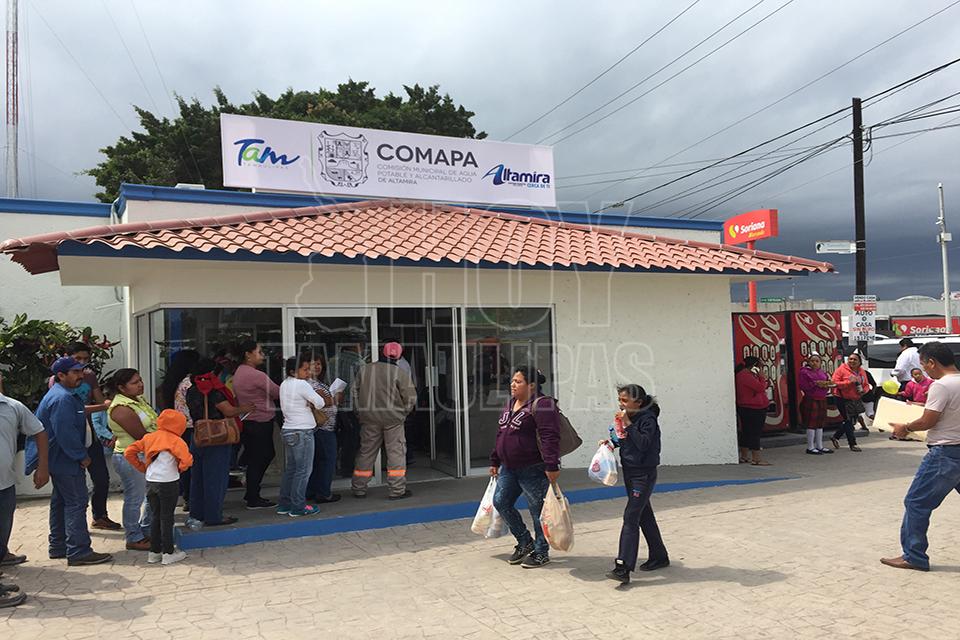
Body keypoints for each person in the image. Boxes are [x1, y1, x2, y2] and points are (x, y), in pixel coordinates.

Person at [883, 342, 960, 571]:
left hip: (944, 454)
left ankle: (913, 556)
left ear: (932, 362)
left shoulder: (941, 385)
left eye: (924, 365)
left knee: (916, 502)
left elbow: (928, 420)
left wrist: (905, 427)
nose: (924, 370)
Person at [35, 357, 113, 566]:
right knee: (76, 502)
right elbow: (65, 432)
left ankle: (59, 546)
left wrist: (100, 407)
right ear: (61, 375)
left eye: (81, 371)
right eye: (76, 372)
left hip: (60, 458)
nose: (81, 376)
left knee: (61, 501)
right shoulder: (62, 398)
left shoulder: (64, 394)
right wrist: (81, 455)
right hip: (66, 458)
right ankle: (79, 551)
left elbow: (78, 412)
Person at [489, 366, 561, 569]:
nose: (513, 384)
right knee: (501, 502)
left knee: (537, 511)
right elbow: (501, 433)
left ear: (531, 385)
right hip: (509, 467)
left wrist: (552, 465)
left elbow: (550, 437)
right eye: (512, 381)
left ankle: (541, 552)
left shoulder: (543, 404)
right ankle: (524, 541)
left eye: (518, 381)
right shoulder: (511, 403)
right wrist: (495, 459)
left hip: (533, 467)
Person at [47, 342, 120, 531]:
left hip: (89, 433)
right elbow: (72, 409)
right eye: (77, 359)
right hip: (70, 435)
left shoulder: (90, 376)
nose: (81, 363)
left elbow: (99, 401)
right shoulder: (58, 380)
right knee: (68, 491)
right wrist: (101, 406)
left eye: (85, 359)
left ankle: (100, 516)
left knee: (101, 478)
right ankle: (67, 533)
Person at [603, 384, 668, 585]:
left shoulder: (648, 419)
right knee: (644, 515)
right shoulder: (627, 418)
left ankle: (623, 567)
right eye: (619, 400)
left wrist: (628, 424)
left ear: (638, 402)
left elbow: (644, 443)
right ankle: (659, 556)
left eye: (625, 400)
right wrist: (610, 444)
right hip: (630, 471)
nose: (621, 404)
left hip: (643, 474)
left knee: (631, 516)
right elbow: (624, 440)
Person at [185, 358, 252, 527]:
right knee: (216, 479)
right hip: (217, 437)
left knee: (198, 478)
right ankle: (214, 516)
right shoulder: (213, 390)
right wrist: (245, 408)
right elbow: (228, 411)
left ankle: (197, 514)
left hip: (198, 435)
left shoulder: (191, 389)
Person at [124, 409, 193, 565]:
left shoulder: (149, 437)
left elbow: (129, 452)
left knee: (155, 516)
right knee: (167, 518)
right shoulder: (177, 441)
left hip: (151, 481)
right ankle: (168, 552)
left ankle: (154, 552)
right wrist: (180, 469)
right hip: (169, 482)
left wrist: (142, 467)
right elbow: (187, 460)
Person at [0, 390, 49, 607]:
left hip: (5, 484)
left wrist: (43, 466)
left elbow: (39, 431)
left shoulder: (12, 406)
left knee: (2, 535)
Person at [351, 342, 417, 500]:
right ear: (398, 356)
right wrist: (403, 413)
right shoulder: (399, 373)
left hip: (369, 418)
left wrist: (359, 412)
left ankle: (359, 488)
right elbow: (411, 398)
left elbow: (354, 392)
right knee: (396, 454)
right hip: (393, 419)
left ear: (382, 352)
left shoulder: (365, 370)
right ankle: (397, 490)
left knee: (366, 453)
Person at [106, 368, 158, 551]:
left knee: (153, 493)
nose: (140, 385)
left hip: (146, 453)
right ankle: (133, 536)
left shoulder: (138, 400)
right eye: (135, 383)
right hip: (131, 456)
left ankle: (146, 530)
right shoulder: (120, 408)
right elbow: (140, 435)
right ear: (121, 387)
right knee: (135, 498)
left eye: (140, 380)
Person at [232, 341, 280, 509]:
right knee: (261, 457)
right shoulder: (256, 375)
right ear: (248, 354)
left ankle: (252, 492)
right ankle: (253, 496)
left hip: (248, 420)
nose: (262, 355)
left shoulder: (239, 372)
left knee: (256, 457)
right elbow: (277, 392)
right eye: (259, 352)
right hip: (260, 420)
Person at [278, 353, 326, 517]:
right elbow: (320, 403)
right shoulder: (302, 384)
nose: (308, 373)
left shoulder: (284, 384)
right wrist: (311, 400)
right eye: (305, 370)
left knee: (291, 470)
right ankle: (298, 506)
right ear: (293, 371)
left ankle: (284, 504)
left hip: (288, 429)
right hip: (303, 431)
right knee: (303, 470)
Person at [161, 349, 201, 510]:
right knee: (192, 464)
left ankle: (186, 496)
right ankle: (191, 498)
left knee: (184, 463)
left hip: (179, 427)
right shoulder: (189, 383)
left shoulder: (172, 382)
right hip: (191, 427)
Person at [306, 352, 341, 504]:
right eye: (313, 364)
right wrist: (334, 399)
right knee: (327, 460)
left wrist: (331, 398)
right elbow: (319, 402)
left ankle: (312, 491)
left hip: (324, 428)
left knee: (318, 461)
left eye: (319, 363)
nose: (317, 367)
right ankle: (323, 493)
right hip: (322, 428)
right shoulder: (308, 384)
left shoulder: (319, 383)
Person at [329, 341, 365, 477]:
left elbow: (327, 382)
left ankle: (331, 466)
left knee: (336, 438)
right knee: (352, 438)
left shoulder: (332, 361)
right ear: (357, 347)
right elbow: (364, 386)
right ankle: (347, 468)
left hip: (333, 405)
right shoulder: (359, 363)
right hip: (351, 406)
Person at [734, 357, 771, 465]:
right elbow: (760, 388)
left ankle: (744, 456)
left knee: (746, 432)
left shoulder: (745, 375)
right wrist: (762, 377)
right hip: (753, 407)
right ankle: (756, 458)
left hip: (749, 406)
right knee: (755, 433)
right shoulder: (745, 376)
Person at [798, 354, 835, 455]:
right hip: (811, 398)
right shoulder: (804, 372)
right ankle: (810, 447)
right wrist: (815, 383)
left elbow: (827, 382)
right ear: (808, 362)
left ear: (820, 363)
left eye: (817, 361)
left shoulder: (822, 372)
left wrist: (827, 384)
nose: (814, 363)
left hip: (822, 398)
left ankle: (820, 446)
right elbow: (803, 386)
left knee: (820, 423)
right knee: (811, 423)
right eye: (812, 361)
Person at [831, 353, 867, 452]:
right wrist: (849, 382)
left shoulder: (862, 371)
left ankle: (835, 437)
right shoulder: (841, 370)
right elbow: (834, 383)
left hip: (855, 399)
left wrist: (864, 390)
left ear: (859, 362)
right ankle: (852, 444)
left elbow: (866, 385)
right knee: (848, 421)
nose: (852, 361)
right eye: (850, 359)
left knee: (852, 421)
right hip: (842, 399)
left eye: (855, 359)